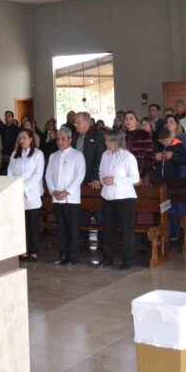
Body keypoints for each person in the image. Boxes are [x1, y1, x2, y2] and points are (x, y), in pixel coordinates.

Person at [95, 130, 141, 270]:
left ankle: (128, 260)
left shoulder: (128, 157)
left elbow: (135, 178)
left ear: (115, 141)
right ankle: (108, 258)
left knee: (126, 229)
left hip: (124, 197)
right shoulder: (105, 155)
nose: (105, 142)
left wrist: (115, 180)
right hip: (107, 195)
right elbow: (101, 171)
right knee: (108, 228)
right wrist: (104, 179)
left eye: (108, 140)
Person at [45, 127, 85, 266]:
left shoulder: (77, 155)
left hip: (71, 198)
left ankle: (72, 256)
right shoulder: (53, 156)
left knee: (72, 228)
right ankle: (62, 254)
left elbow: (79, 175)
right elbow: (48, 175)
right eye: (58, 139)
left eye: (63, 139)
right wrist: (54, 190)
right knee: (60, 228)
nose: (60, 142)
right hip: (57, 197)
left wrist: (67, 191)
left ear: (70, 140)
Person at [8, 129, 45, 262]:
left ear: (31, 139)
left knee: (32, 225)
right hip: (18, 194)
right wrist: (16, 188)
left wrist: (23, 188)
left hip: (32, 193)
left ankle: (33, 252)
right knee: (21, 225)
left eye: (24, 138)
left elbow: (37, 175)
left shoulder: (38, 154)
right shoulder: (15, 154)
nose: (22, 140)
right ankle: (22, 251)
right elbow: (10, 173)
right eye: (20, 138)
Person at [72, 112, 106, 191]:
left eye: (78, 122)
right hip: (75, 176)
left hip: (91, 178)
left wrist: (96, 177)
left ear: (87, 122)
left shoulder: (97, 137)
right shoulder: (75, 136)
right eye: (75, 123)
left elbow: (100, 158)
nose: (76, 125)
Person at [122, 111, 154, 178]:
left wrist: (142, 175)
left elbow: (150, 157)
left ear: (136, 121)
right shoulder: (121, 136)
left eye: (131, 118)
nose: (128, 121)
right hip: (124, 172)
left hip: (140, 171)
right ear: (124, 122)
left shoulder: (144, 135)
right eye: (126, 119)